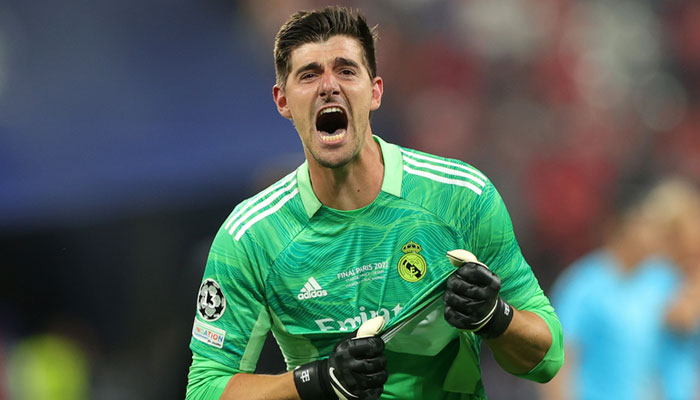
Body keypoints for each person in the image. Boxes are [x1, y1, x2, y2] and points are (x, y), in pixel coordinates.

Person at [185, 6, 563, 400]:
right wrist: (316, 382)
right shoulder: (252, 236)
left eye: (346, 70)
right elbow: (206, 390)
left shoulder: (459, 197)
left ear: (375, 91)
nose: (329, 86)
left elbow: (548, 356)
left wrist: (495, 317)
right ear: (282, 100)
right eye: (309, 74)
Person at [541, 177, 700, 400]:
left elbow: (684, 319)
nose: (655, 234)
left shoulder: (657, 280)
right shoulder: (583, 285)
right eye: (646, 225)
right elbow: (558, 358)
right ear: (621, 226)